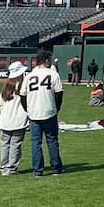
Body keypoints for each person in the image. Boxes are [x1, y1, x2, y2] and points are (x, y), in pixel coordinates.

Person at [21, 48, 65, 177]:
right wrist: (56, 108)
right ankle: (56, 168)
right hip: (49, 111)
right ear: (46, 60)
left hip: (33, 113)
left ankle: (38, 170)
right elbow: (59, 94)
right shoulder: (53, 74)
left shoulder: (29, 76)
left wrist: (28, 110)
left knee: (36, 143)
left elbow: (22, 95)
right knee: (52, 140)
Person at [0, 66, 28, 176]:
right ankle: (12, 168)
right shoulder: (23, 86)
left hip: (5, 119)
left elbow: (1, 104)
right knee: (15, 145)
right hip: (18, 120)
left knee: (5, 145)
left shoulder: (6, 86)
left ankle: (4, 167)